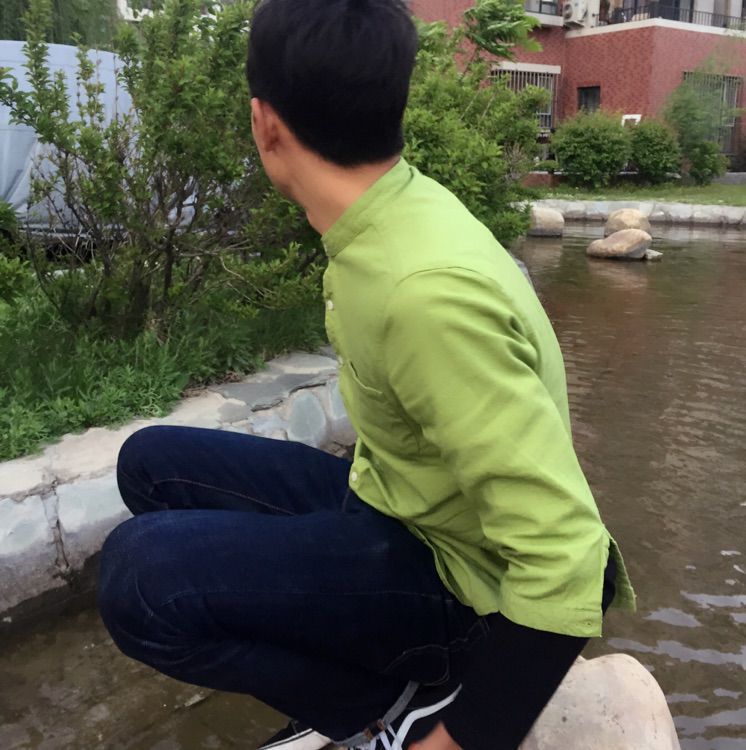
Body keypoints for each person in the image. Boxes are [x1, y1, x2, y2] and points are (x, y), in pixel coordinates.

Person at [98, 1, 636, 749]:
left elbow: (569, 557)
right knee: (149, 463)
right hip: (392, 504)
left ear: (264, 123)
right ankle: (369, 678)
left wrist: (459, 740)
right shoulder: (392, 209)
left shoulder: (425, 295)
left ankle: (386, 710)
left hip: (460, 586)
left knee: (140, 581)